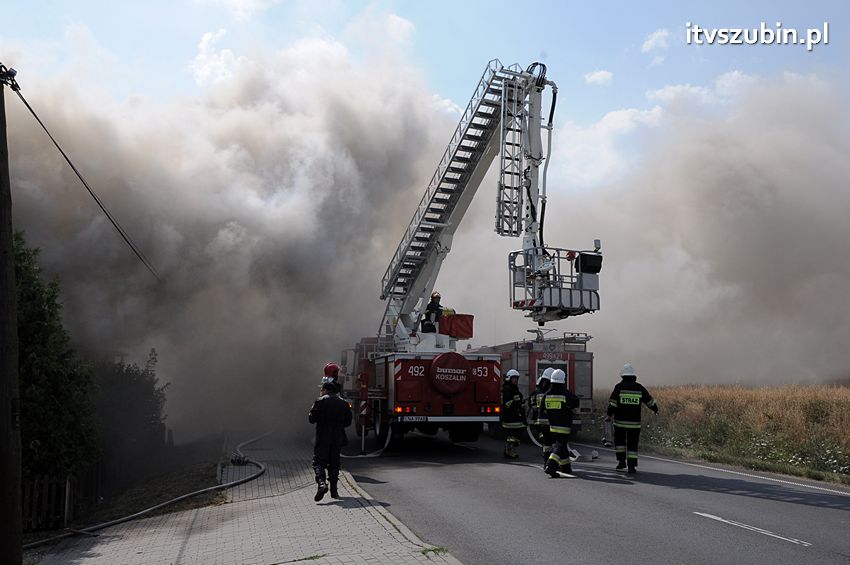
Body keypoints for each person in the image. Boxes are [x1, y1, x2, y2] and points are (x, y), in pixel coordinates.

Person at [605, 363, 658, 474]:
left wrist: (609, 415)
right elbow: (649, 401)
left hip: (620, 423)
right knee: (632, 444)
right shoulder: (639, 387)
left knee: (620, 443)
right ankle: (631, 467)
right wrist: (655, 409)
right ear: (634, 376)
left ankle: (621, 462)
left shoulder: (619, 387)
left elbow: (613, 404)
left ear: (623, 376)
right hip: (634, 424)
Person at [308, 379, 353, 501]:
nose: (321, 391)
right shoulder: (343, 403)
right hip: (337, 437)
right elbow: (348, 421)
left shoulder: (320, 401)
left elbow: (311, 418)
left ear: (326, 390)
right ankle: (334, 491)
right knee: (334, 463)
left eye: (322, 389)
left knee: (318, 462)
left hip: (322, 436)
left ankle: (322, 484)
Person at [542, 369, 579, 477]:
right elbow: (575, 402)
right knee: (559, 446)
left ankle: (566, 467)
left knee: (562, 447)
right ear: (563, 381)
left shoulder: (546, 395)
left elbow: (543, 408)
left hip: (552, 427)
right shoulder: (565, 394)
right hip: (564, 426)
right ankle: (551, 466)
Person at [528, 367, 554, 467]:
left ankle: (547, 462)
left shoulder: (536, 393)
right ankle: (553, 461)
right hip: (553, 422)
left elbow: (532, 406)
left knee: (546, 443)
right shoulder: (553, 393)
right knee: (553, 443)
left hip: (541, 422)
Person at [500, 369, 526, 459]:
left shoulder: (514, 389)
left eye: (516, 378)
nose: (515, 380)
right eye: (513, 378)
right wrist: (520, 404)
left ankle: (509, 449)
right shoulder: (507, 389)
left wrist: (521, 402)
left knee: (515, 434)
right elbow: (507, 403)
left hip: (514, 416)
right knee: (514, 434)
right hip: (510, 417)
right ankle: (509, 450)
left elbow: (516, 400)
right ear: (509, 378)